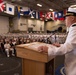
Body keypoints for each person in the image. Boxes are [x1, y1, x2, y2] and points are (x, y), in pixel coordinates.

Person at [38, 6, 76, 75]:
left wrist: (49, 50)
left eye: (66, 18)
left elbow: (68, 47)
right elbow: (72, 46)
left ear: (72, 18)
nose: (65, 20)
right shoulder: (73, 28)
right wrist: (61, 45)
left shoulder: (74, 29)